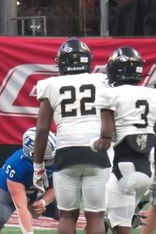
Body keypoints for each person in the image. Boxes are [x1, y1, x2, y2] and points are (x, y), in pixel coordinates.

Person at [32, 37, 111, 234]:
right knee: (96, 215)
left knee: (67, 215)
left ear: (61, 62)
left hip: (66, 152)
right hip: (96, 151)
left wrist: (38, 165)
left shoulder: (50, 85)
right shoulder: (102, 81)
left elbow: (42, 129)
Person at [91, 47, 156, 234]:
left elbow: (106, 138)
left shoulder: (110, 94)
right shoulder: (152, 95)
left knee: (113, 222)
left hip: (123, 170)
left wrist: (93, 146)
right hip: (146, 172)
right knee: (114, 219)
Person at [0, 127, 58, 234]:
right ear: (33, 155)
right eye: (47, 159)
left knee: (66, 212)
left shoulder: (59, 157)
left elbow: (58, 185)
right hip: (5, 189)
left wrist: (43, 201)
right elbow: (21, 207)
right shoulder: (16, 164)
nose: (52, 162)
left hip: (40, 189)